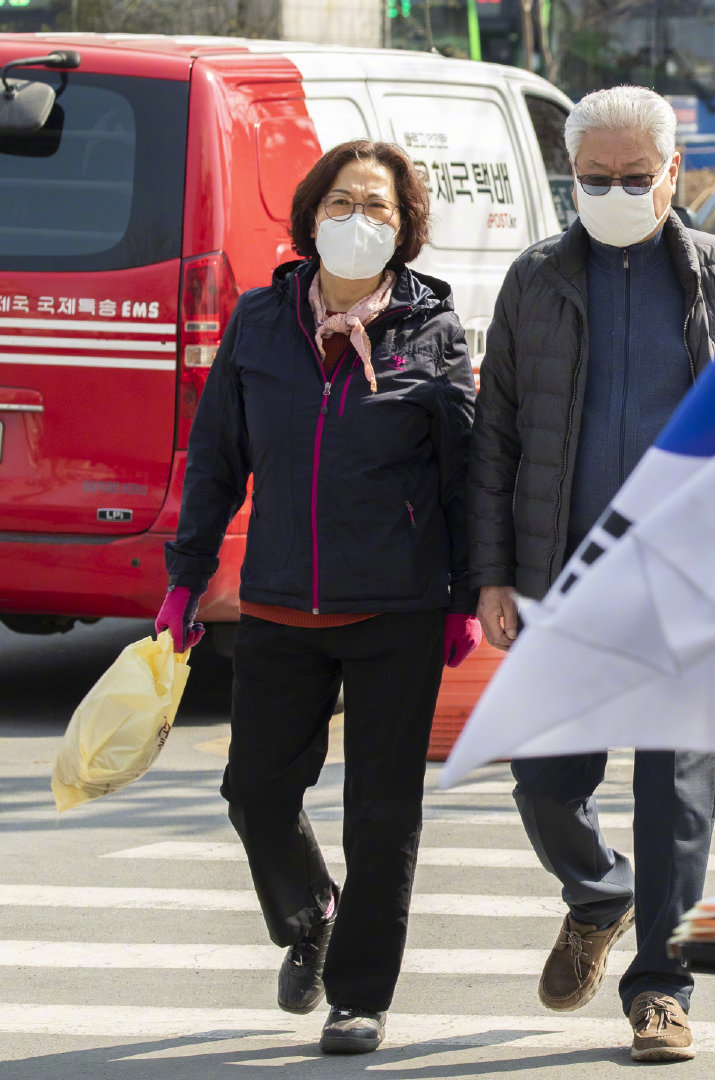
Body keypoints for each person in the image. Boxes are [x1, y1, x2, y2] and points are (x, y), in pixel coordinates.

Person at [156, 140, 481, 1055]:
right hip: (278, 605)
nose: (359, 220)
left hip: (397, 608)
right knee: (255, 790)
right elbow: (217, 456)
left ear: (405, 228)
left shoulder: (434, 334)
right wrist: (184, 578)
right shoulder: (258, 325)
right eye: (343, 201)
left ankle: (360, 995)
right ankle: (310, 913)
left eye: (379, 208)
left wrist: (462, 595)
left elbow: (463, 477)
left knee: (382, 813)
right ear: (309, 214)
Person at [468, 85, 715, 1063]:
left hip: (687, 587)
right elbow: (497, 438)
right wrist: (494, 577)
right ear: (571, 177)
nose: (613, 193)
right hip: (564, 580)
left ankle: (660, 992)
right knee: (546, 784)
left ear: (675, 173)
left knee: (673, 800)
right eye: (594, 180)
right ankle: (598, 893)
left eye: (634, 179)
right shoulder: (537, 281)